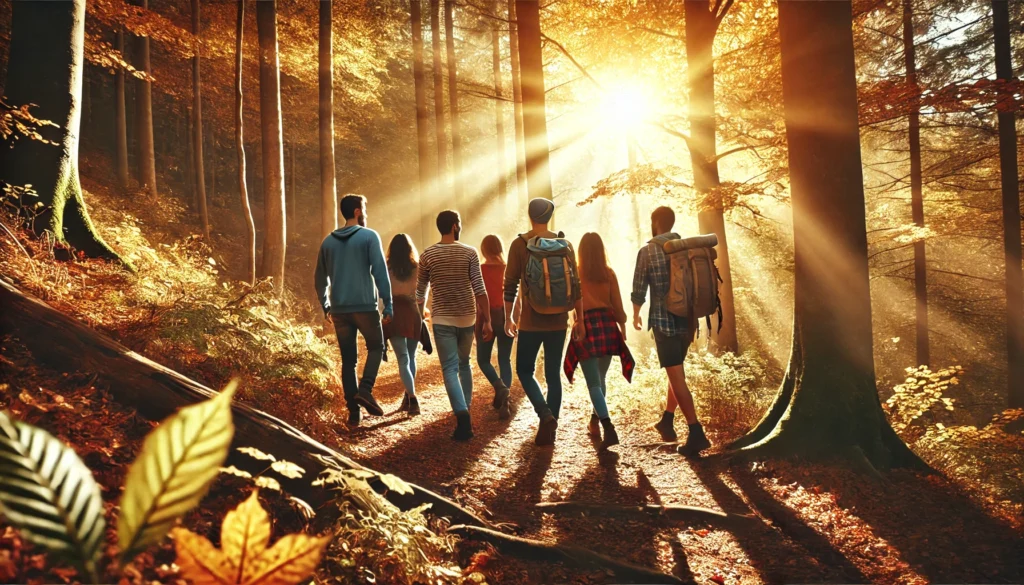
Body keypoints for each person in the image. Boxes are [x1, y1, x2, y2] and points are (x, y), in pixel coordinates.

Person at [504, 197, 584, 446]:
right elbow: (577, 286)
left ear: (530, 216)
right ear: (550, 216)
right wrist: (578, 318)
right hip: (559, 320)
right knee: (553, 375)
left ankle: (545, 414)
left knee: (524, 370)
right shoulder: (565, 244)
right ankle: (551, 428)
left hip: (531, 321)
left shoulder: (520, 244)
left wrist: (509, 316)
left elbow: (510, 285)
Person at [631, 206, 711, 456]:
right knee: (676, 372)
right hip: (687, 323)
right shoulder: (687, 248)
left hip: (663, 322)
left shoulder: (648, 251)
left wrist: (635, 314)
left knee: (676, 377)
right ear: (672, 223)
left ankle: (696, 432)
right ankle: (667, 420)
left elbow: (638, 288)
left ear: (655, 223)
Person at [314, 194, 391, 427]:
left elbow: (319, 278)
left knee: (349, 360)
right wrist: (388, 303)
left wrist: (325, 305)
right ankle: (365, 389)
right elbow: (380, 272)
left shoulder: (328, 242)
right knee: (377, 346)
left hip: (339, 309)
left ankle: (353, 413)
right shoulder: (369, 236)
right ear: (358, 211)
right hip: (365, 307)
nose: (365, 212)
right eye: (364, 208)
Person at [417, 210, 493, 440]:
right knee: (464, 364)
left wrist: (420, 317)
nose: (460, 227)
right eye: (458, 223)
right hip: (467, 318)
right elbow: (479, 289)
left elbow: (421, 291)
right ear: (453, 226)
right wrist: (487, 320)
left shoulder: (428, 255)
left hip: (442, 318)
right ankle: (465, 410)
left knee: (449, 368)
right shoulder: (469, 253)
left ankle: (462, 416)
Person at [563, 233, 634, 450]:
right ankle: (595, 422)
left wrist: (577, 322)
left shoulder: (576, 274)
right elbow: (618, 306)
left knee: (595, 383)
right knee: (600, 380)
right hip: (607, 325)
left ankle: (607, 425)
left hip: (585, 327)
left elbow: (571, 303)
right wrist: (622, 327)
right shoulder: (608, 273)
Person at [385, 233, 422, 416]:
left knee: (403, 358)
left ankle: (412, 398)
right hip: (413, 311)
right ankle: (408, 397)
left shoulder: (387, 267)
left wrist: (383, 313)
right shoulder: (417, 267)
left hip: (395, 311)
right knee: (412, 357)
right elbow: (422, 294)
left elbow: (382, 292)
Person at [477, 235, 512, 419]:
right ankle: (505, 401)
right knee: (504, 360)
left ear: (483, 250)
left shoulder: (480, 270)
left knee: (483, 360)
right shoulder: (508, 269)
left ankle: (500, 387)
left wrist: (483, 320)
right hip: (506, 316)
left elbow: (478, 297)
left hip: (486, 317)